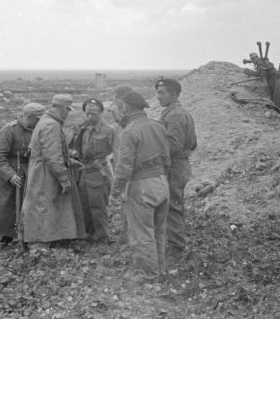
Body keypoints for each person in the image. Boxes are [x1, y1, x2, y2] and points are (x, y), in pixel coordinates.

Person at [111, 91, 171, 281]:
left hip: (141, 185)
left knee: (141, 232)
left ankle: (147, 274)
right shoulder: (158, 126)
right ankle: (159, 268)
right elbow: (168, 158)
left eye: (121, 107)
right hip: (161, 181)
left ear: (127, 108)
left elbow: (124, 167)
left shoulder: (130, 131)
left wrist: (115, 192)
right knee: (159, 230)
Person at [21, 94, 86, 253]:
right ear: (63, 108)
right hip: (46, 173)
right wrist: (64, 180)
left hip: (41, 170)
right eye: (67, 110)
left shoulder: (44, 121)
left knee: (43, 205)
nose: (67, 114)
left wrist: (69, 161)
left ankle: (48, 240)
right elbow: (52, 157)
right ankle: (39, 244)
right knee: (43, 206)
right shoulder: (51, 125)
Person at [0, 102, 45, 244]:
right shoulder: (9, 130)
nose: (40, 121)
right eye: (38, 118)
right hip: (10, 177)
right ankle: (5, 240)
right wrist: (10, 175)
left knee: (28, 208)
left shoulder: (37, 129)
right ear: (29, 116)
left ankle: (27, 238)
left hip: (30, 175)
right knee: (7, 210)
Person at [155, 78, 197, 260]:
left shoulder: (176, 116)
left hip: (174, 165)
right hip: (177, 164)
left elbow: (174, 146)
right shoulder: (173, 113)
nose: (157, 97)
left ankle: (178, 247)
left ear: (173, 94)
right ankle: (175, 242)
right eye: (157, 92)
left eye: (161, 92)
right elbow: (193, 143)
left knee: (172, 205)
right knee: (172, 204)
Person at [71, 98, 115, 243]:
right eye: (87, 113)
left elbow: (116, 153)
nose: (90, 117)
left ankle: (103, 237)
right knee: (84, 205)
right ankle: (88, 234)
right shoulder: (83, 130)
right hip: (84, 172)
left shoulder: (108, 131)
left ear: (101, 113)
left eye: (94, 113)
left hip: (99, 173)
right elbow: (78, 150)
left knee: (98, 207)